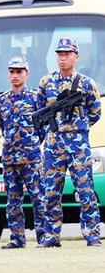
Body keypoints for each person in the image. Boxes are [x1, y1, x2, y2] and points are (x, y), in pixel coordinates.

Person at [37, 38, 102, 247]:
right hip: (53, 144)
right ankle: (51, 236)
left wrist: (78, 127)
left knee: (85, 189)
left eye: (67, 53)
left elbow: (95, 112)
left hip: (78, 145)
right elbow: (40, 111)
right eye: (59, 54)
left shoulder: (86, 83)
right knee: (51, 191)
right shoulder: (46, 82)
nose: (62, 57)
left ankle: (92, 234)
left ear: (77, 56)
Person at [0, 57, 45, 249]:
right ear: (8, 74)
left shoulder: (35, 99)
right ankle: (17, 238)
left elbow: (42, 127)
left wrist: (32, 144)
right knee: (13, 200)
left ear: (27, 74)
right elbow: (2, 125)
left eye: (19, 71)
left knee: (38, 197)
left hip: (30, 157)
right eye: (12, 72)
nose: (15, 75)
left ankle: (43, 236)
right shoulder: (1, 101)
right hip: (9, 158)